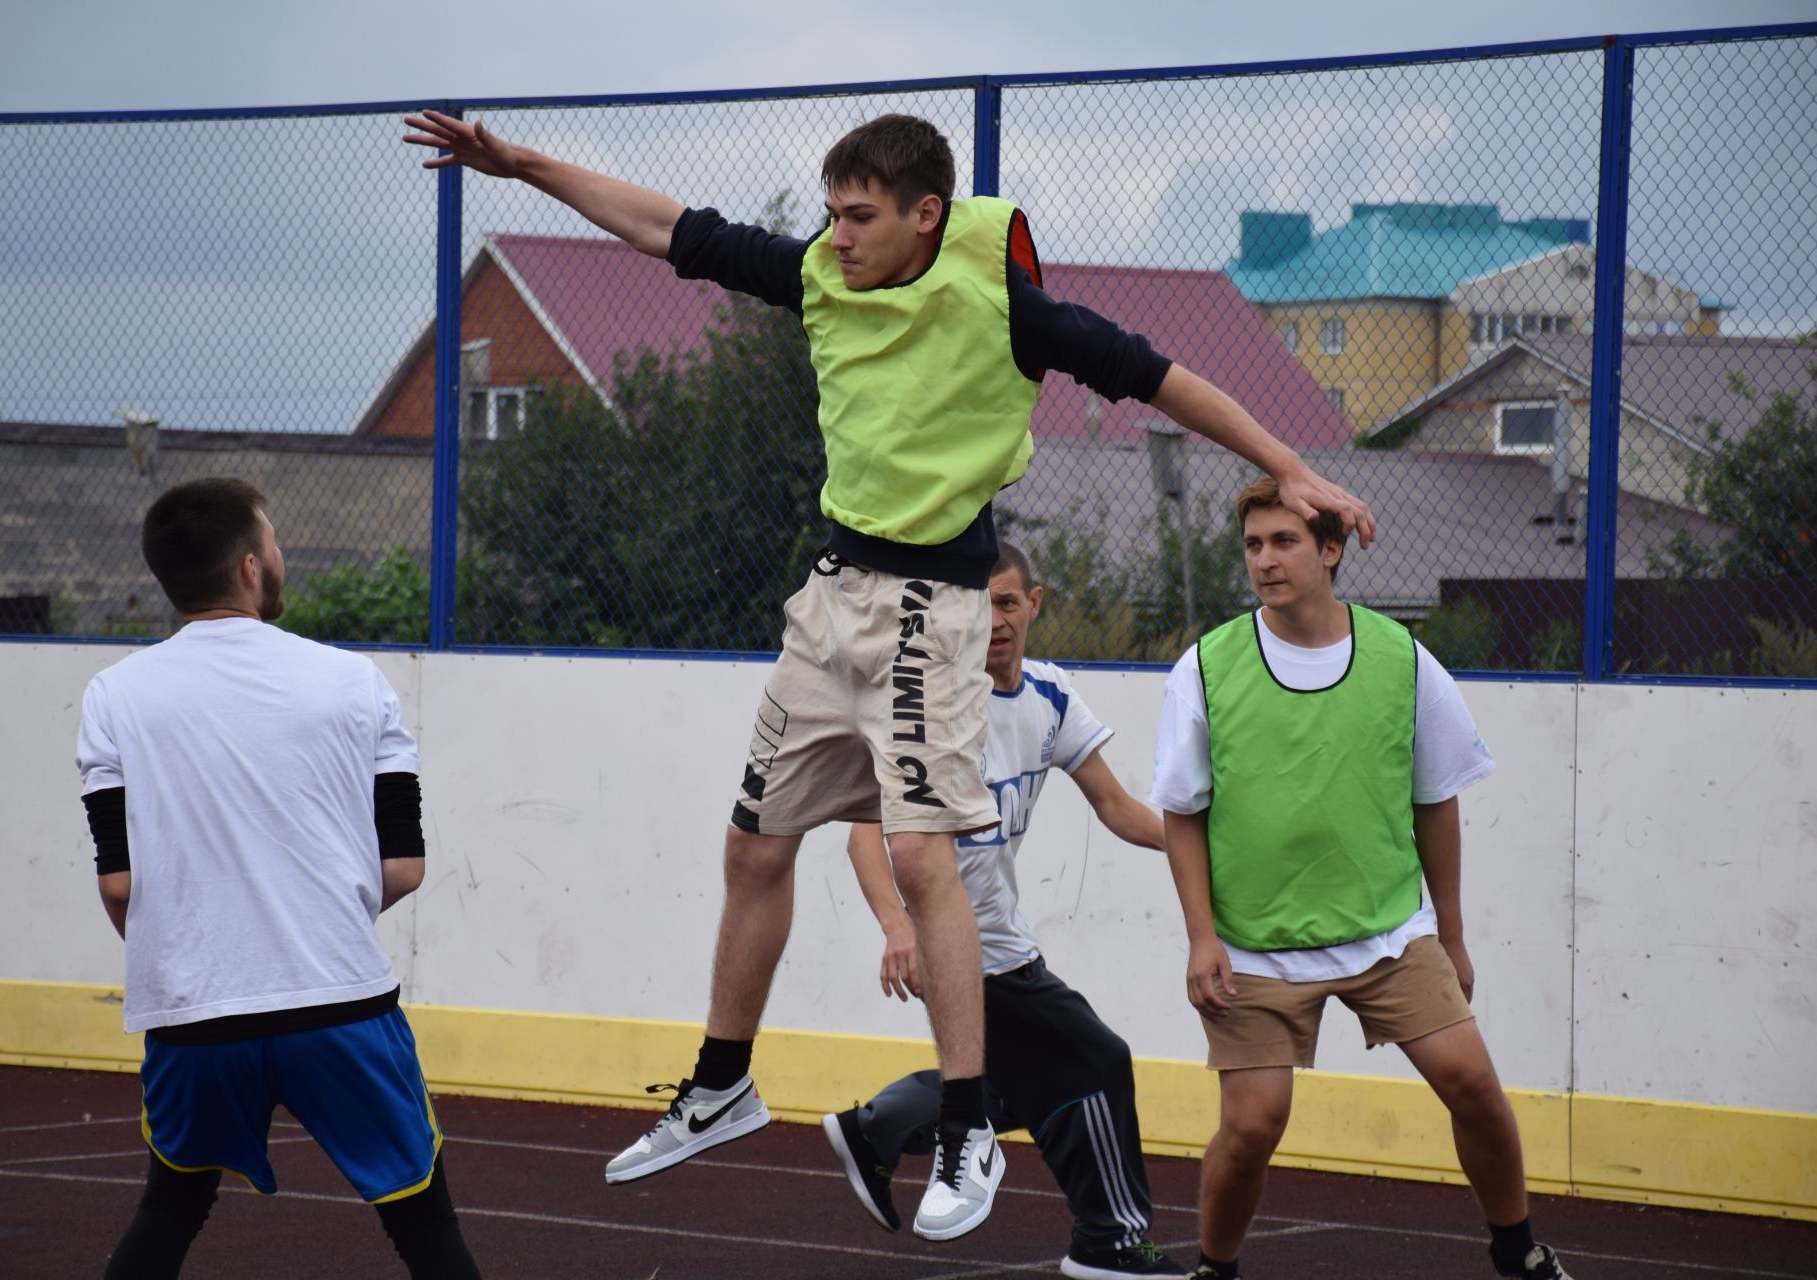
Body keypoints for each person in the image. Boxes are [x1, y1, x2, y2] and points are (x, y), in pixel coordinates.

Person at [403, 107, 1374, 1241]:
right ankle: (721, 1082)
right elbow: (669, 227)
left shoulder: (1007, 307)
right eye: (830, 214)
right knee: (753, 842)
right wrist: (522, 166)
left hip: (934, 605)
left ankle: (965, 1124)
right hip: (833, 597)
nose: (839, 236)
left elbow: (1165, 380)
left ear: (926, 216)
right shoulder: (822, 272)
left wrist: (1291, 466)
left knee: (923, 852)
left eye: (861, 217)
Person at [1149, 477, 1574, 1280]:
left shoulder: (1403, 659)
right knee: (1253, 1127)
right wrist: (1201, 936)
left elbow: (1436, 801)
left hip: (1388, 931)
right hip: (1256, 945)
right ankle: (1216, 1267)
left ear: (1332, 551)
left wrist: (1450, 936)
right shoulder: (1205, 668)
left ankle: (1519, 1253)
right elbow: (1182, 813)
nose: (1264, 562)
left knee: (1472, 1083)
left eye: (1284, 543)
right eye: (1252, 545)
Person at [76, 477, 479, 1279]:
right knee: (424, 1225)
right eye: (276, 541)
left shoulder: (112, 696)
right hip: (337, 1000)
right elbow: (404, 865)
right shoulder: (356, 682)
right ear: (253, 566)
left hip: (194, 1016)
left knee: (170, 1209)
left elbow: (118, 886)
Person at [827, 542, 1187, 1275]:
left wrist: (1205, 854)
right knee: (1097, 1061)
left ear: (1035, 605)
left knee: (1016, 1087)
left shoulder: (1051, 698)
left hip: (1007, 942)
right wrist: (899, 927)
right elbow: (864, 835)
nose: (992, 620)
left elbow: (1118, 808)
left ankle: (877, 1128)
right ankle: (1109, 1240)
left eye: (1006, 603)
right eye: (975, 605)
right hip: (964, 950)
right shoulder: (932, 705)